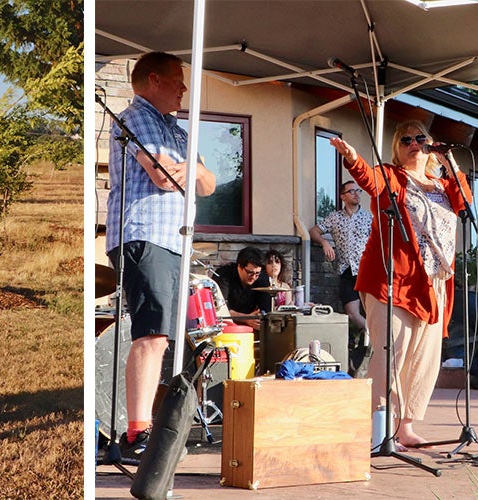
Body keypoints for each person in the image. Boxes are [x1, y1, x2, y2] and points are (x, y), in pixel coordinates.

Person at [329, 119, 471, 448]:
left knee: (424, 357)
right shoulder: (392, 176)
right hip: (393, 279)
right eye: (405, 139)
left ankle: (405, 426)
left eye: (420, 137)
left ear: (430, 143)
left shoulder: (442, 185)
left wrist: (450, 162)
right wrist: (352, 157)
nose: (413, 143)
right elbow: (368, 178)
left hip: (433, 280)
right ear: (397, 148)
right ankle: (380, 427)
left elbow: (465, 201)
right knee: (390, 353)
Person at [105, 51, 216, 459]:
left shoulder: (176, 130)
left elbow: (208, 182)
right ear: (153, 80)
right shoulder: (136, 117)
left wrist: (193, 169)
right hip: (145, 235)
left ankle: (143, 429)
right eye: (177, 80)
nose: (184, 89)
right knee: (151, 334)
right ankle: (136, 433)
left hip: (172, 240)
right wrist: (186, 170)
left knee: (162, 336)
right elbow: (164, 176)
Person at [309, 180, 371, 332]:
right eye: (352, 191)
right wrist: (325, 242)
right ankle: (377, 337)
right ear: (343, 196)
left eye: (358, 191)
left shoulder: (369, 218)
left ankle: (376, 342)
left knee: (373, 311)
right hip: (346, 271)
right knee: (352, 314)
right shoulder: (335, 218)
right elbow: (313, 231)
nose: (356, 194)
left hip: (366, 270)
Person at [213, 246, 272, 329]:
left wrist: (259, 316)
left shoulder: (262, 277)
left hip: (252, 326)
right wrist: (246, 318)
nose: (254, 277)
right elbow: (221, 309)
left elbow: (265, 307)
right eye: (250, 272)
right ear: (239, 266)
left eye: (257, 273)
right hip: (226, 326)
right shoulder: (223, 276)